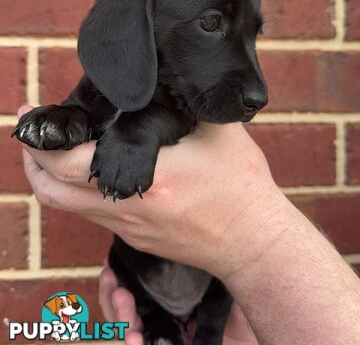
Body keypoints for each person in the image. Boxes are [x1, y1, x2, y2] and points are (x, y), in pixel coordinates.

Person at [18, 106, 360, 345]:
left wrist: (254, 237)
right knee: (125, 275)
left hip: (215, 291)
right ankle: (158, 323)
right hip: (146, 274)